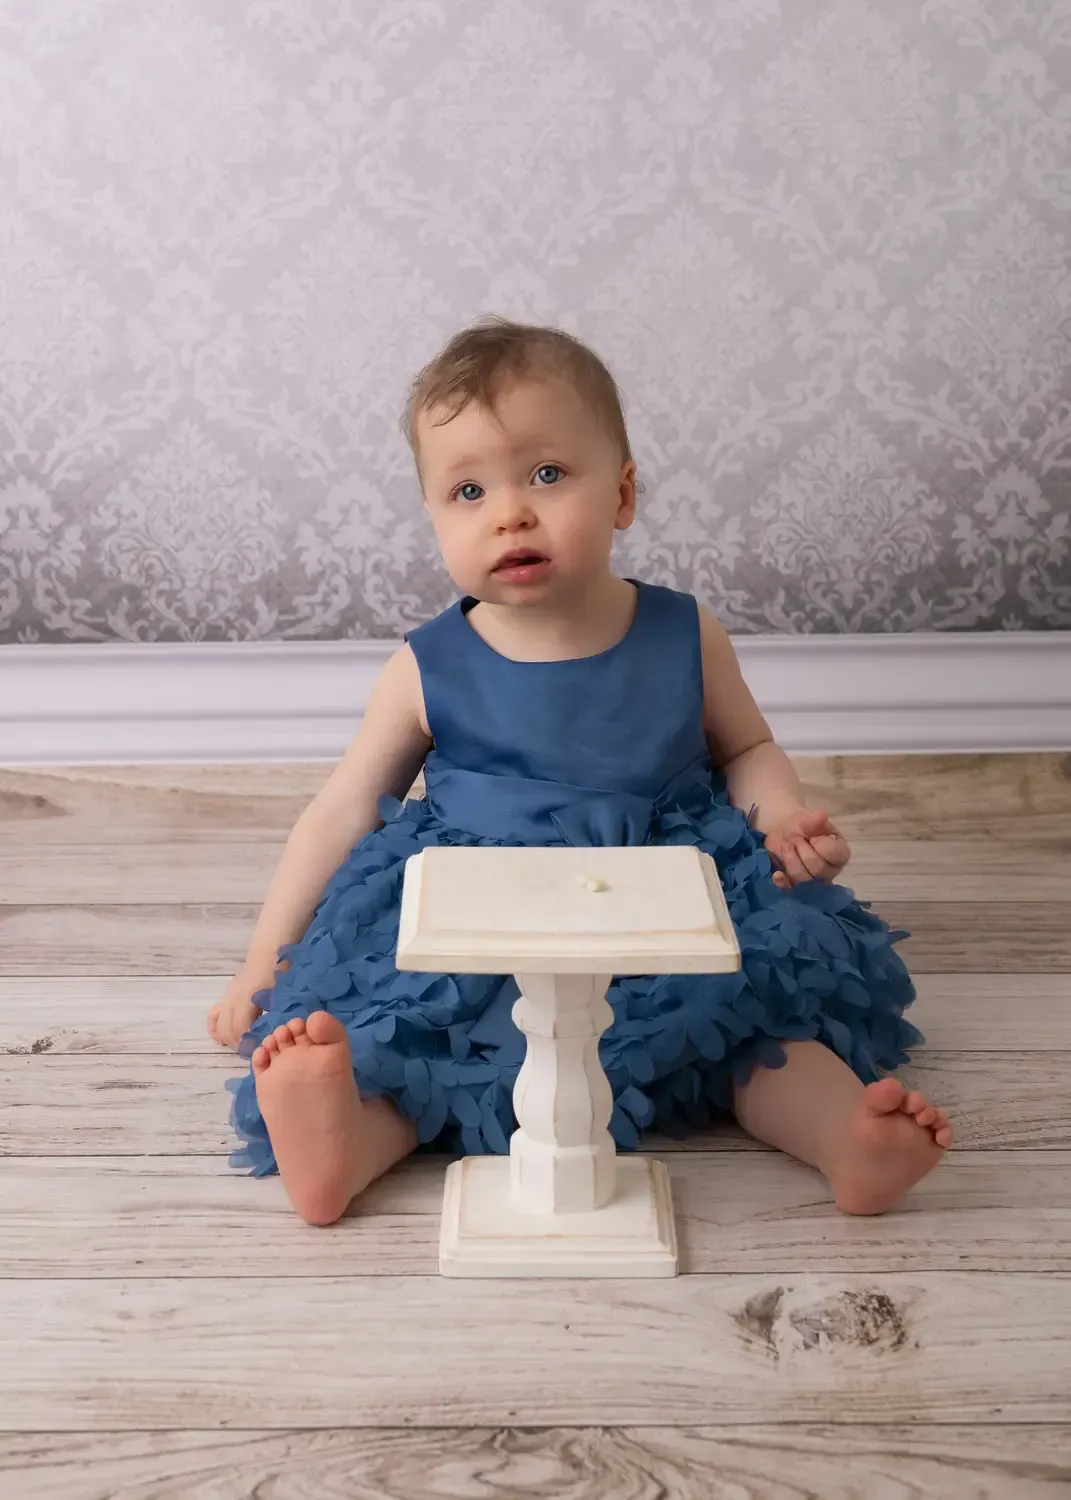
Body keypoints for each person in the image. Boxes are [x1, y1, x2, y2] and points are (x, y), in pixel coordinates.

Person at [208, 317, 953, 1227]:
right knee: (421, 1037)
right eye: (468, 490)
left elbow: (745, 750)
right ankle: (340, 1142)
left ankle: (848, 1140)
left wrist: (782, 818)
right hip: (482, 895)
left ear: (623, 493)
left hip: (668, 878)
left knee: (752, 1023)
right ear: (434, 516)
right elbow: (341, 813)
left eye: (547, 475)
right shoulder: (426, 665)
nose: (509, 512)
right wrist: (259, 964)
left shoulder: (683, 631)